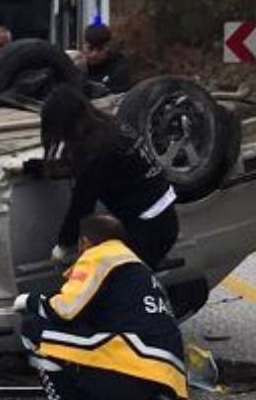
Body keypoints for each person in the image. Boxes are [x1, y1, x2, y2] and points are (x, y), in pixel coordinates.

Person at [16, 213, 187, 400]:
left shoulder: (100, 256)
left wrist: (30, 301)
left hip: (135, 373)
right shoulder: (136, 266)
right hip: (167, 382)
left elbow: (64, 310)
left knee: (35, 329)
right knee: (89, 336)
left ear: (84, 242)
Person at [39, 84, 179, 269]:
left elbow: (81, 205)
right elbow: (77, 169)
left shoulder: (95, 152)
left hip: (147, 227)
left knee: (113, 283)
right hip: (163, 217)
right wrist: (33, 167)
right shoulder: (112, 127)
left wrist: (64, 245)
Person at [82, 24, 132, 94]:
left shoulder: (119, 68)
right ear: (83, 46)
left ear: (108, 47)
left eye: (100, 49)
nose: (94, 54)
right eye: (90, 48)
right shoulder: (76, 65)